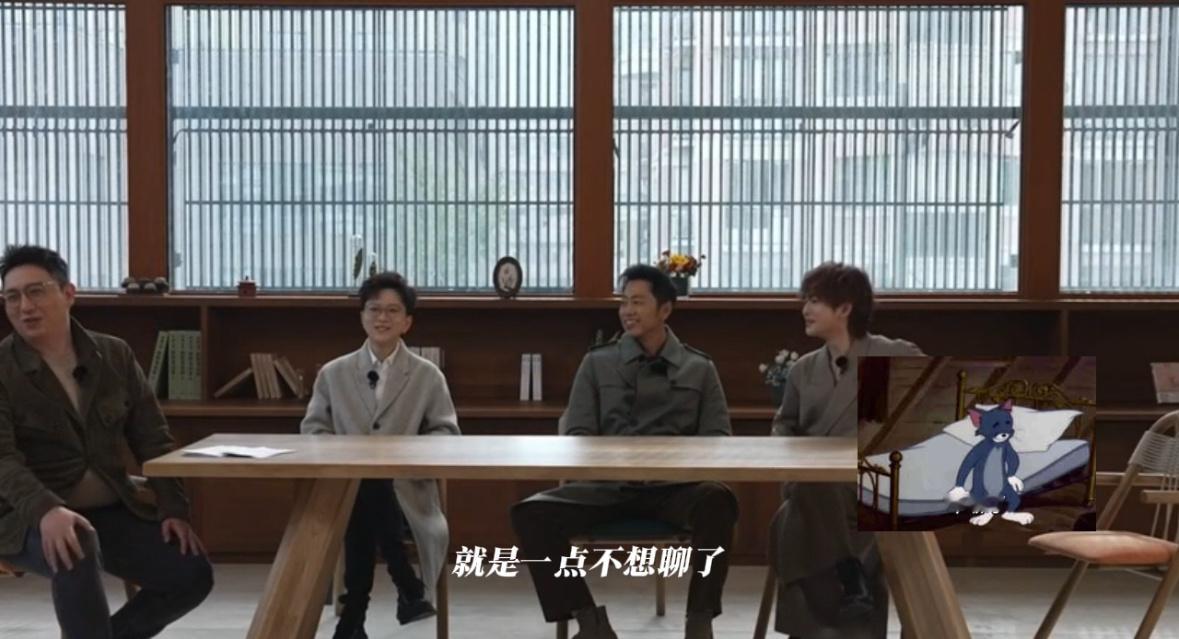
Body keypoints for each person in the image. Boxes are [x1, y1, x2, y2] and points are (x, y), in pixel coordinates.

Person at [510, 264, 737, 639]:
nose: (627, 311)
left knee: (718, 500)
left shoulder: (699, 368)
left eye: (638, 302)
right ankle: (590, 622)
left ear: (665, 310)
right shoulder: (597, 363)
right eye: (624, 302)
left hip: (675, 490)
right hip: (607, 488)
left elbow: (717, 439)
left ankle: (700, 620)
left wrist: (671, 464)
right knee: (530, 513)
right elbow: (578, 433)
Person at [0, 244, 213, 639]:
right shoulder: (3, 368)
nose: (24, 306)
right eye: (12, 297)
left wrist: (174, 508)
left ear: (69, 293)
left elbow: (153, 437)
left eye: (36, 291)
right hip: (22, 516)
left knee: (190, 572)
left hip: (110, 508)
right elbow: (3, 460)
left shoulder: (114, 354)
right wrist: (47, 510)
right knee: (75, 545)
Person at [301, 271, 459, 639]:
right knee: (366, 489)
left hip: (407, 499)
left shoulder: (427, 376)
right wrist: (350, 457)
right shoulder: (333, 373)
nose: (382, 318)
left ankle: (353, 618)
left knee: (371, 491)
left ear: (407, 322)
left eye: (392, 311)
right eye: (374, 309)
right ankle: (405, 583)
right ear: (362, 316)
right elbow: (313, 432)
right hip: (345, 493)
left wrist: (399, 455)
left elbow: (447, 435)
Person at [770, 262, 923, 639]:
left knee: (797, 518)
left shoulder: (891, 354)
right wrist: (788, 458)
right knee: (804, 499)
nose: (805, 309)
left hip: (872, 484)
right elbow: (784, 424)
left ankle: (813, 626)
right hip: (816, 483)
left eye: (815, 301)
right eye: (805, 300)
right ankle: (851, 577)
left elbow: (933, 401)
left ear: (845, 308)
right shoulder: (804, 369)